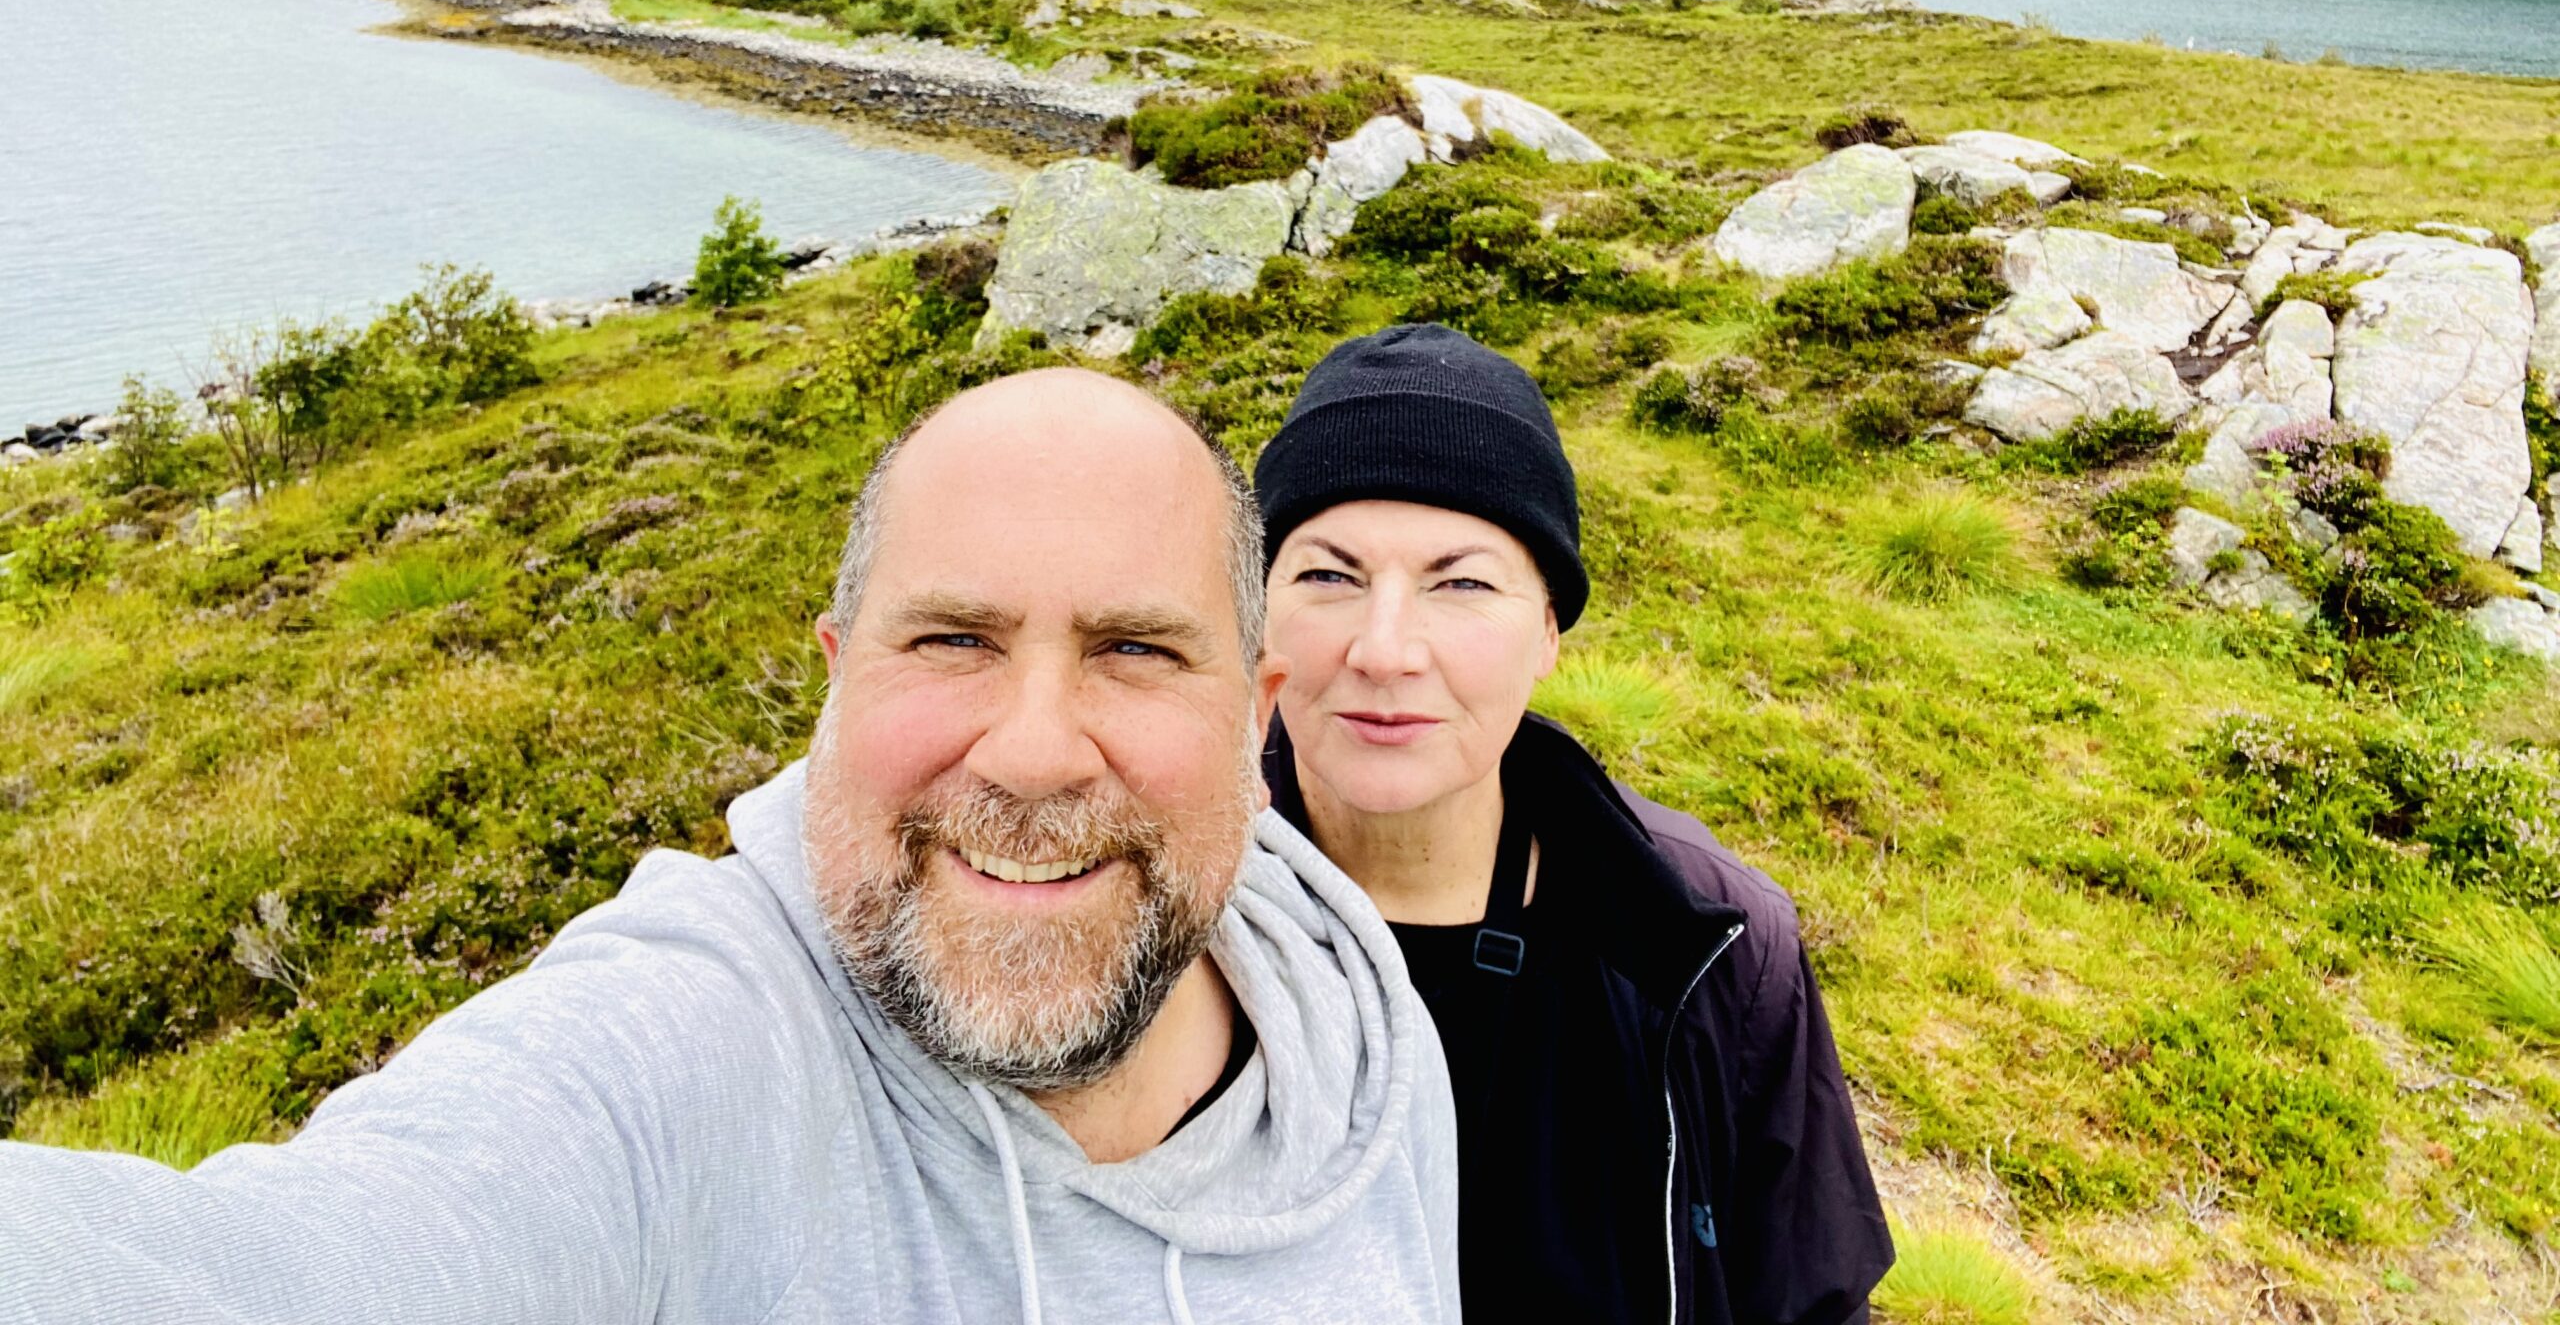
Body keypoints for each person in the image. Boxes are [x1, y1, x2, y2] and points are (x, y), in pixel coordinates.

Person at [0, 370, 1460, 1325]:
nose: (1031, 752)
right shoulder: (683, 1053)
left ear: (1252, 716)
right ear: (834, 679)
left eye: (1136, 650)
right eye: (951, 640)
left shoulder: (1359, 1041)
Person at [1254, 323, 1893, 1325]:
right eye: (1328, 576)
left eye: (1462, 582)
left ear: (1548, 629)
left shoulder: (1706, 943)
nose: (1384, 650)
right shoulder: (1157, 900)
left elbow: (1810, 1304)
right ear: (1256, 612)